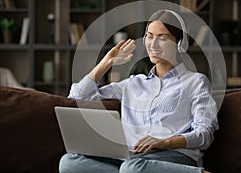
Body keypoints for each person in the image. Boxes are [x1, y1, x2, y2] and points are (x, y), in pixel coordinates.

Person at [59, 9, 218, 173]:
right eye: (149, 36)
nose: (153, 44)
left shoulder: (196, 82)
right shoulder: (133, 83)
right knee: (69, 161)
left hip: (172, 155)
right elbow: (76, 97)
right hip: (131, 160)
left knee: (132, 168)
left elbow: (204, 135)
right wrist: (106, 62)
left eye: (162, 38)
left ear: (179, 44)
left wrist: (164, 142)